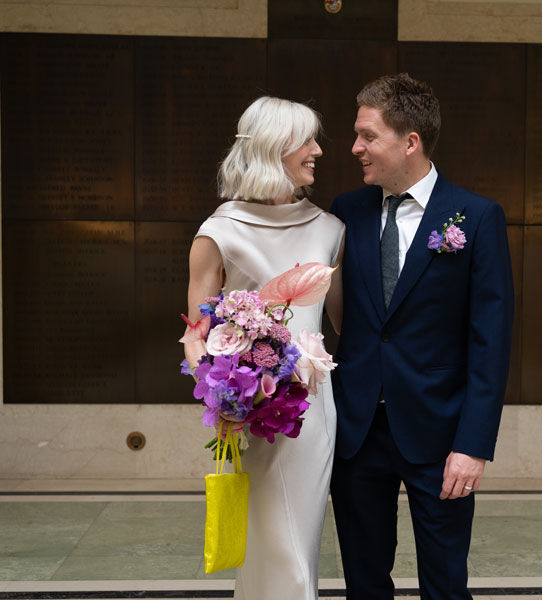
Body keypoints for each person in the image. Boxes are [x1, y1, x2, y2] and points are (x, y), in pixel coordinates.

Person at [329, 73, 514, 599]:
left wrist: (473, 446)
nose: (355, 147)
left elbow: (491, 342)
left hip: (441, 433)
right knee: (363, 584)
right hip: (358, 431)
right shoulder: (346, 212)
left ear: (410, 142)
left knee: (445, 585)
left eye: (367, 136)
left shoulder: (476, 217)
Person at [184, 96, 344, 599]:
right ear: (275, 147)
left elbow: (346, 325)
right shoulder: (218, 232)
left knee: (298, 546)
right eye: (307, 140)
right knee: (270, 544)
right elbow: (196, 334)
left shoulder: (330, 229)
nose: (318, 150)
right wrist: (227, 394)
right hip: (252, 414)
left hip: (312, 413)